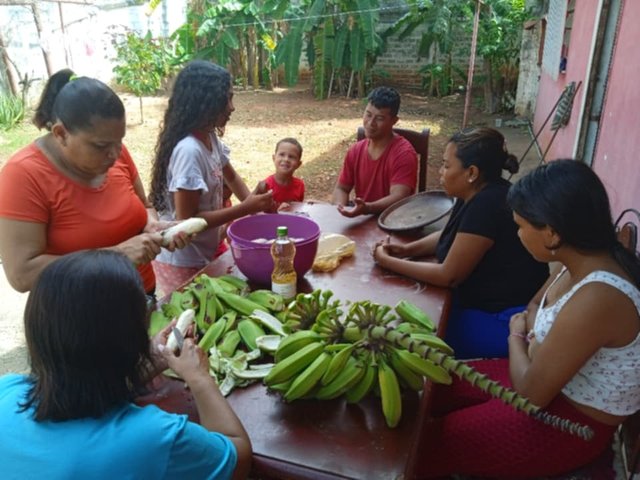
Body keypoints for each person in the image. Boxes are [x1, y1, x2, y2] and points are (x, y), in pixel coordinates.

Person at [416, 159, 640, 478]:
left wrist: (516, 336)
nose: (518, 234)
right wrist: (529, 335)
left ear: (551, 233)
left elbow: (530, 395)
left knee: (432, 442)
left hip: (570, 423)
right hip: (549, 381)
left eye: (521, 226)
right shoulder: (579, 260)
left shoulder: (598, 296)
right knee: (435, 385)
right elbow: (535, 304)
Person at [0, 250, 252, 479]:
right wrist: (199, 377)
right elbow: (237, 460)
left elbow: (85, 383)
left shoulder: (7, 391)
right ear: (130, 338)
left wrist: (149, 361)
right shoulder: (154, 437)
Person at [0, 69, 184, 295]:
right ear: (61, 134)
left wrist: (152, 224)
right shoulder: (23, 175)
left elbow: (145, 206)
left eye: (120, 141)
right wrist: (116, 255)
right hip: (83, 312)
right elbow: (21, 274)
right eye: (101, 146)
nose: (115, 154)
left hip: (140, 292)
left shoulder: (114, 151)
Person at [373, 127, 548, 359]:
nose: (441, 172)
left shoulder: (488, 205)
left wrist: (388, 262)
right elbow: (453, 235)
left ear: (472, 172)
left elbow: (449, 275)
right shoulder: (477, 193)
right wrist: (406, 250)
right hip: (483, 304)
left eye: (446, 166)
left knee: (409, 340)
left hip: (506, 318)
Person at [149, 60, 274, 296]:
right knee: (187, 323)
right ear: (205, 103)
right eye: (226, 98)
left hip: (203, 252)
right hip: (181, 261)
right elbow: (187, 220)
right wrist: (245, 208)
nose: (232, 107)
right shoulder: (189, 151)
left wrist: (257, 205)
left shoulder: (210, 138)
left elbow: (233, 177)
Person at [332, 86, 417, 217]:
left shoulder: (404, 153)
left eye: (379, 118)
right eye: (368, 114)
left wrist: (367, 208)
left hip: (393, 222)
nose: (370, 123)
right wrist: (340, 210)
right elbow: (341, 188)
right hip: (360, 220)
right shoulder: (355, 150)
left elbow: (399, 197)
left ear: (394, 121)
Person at [263, 137, 305, 210]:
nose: (286, 159)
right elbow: (260, 214)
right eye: (282, 154)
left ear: (298, 164)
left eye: (291, 157)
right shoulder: (266, 186)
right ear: (274, 158)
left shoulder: (300, 185)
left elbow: (298, 210)